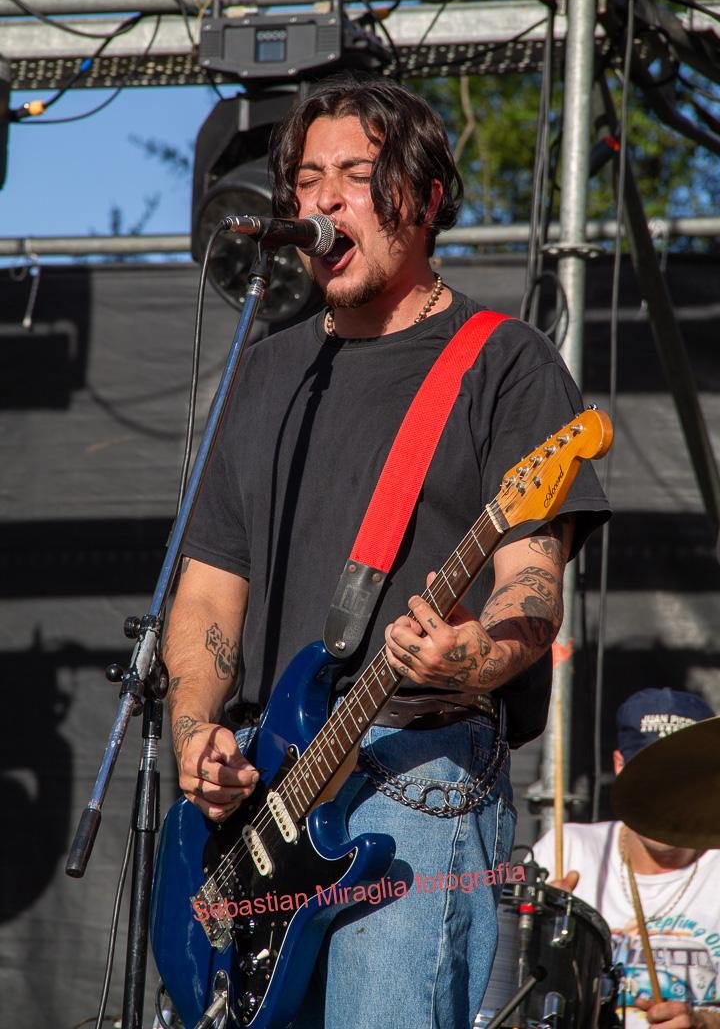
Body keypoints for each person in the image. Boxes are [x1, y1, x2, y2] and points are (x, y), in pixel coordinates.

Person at [162, 73, 609, 1029]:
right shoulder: (264, 373)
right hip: (260, 804)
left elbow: (531, 587)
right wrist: (197, 734)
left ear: (427, 195)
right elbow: (205, 596)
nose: (322, 201)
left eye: (357, 176)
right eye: (306, 179)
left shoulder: (504, 363)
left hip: (417, 775)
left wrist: (471, 655)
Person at [533, 687, 720, 1029]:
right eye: (650, 776)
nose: (665, 795)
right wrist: (538, 935)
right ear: (619, 765)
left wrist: (701, 1022)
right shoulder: (568, 848)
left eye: (681, 778)